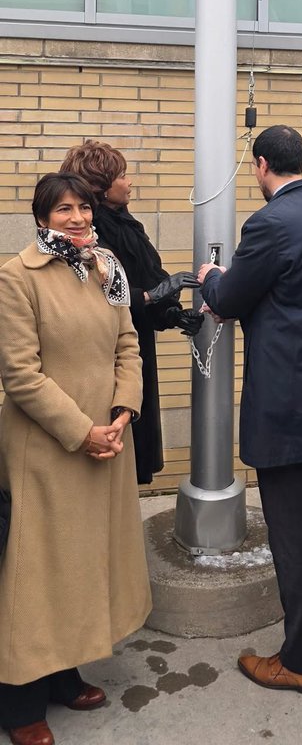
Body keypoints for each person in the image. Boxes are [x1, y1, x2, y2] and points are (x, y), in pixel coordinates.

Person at [198, 125, 302, 696]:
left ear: (261, 163)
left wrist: (212, 278)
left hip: (287, 404)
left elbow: (229, 298)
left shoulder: (267, 222)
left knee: (292, 534)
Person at [0, 172, 151, 745]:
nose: (78, 218)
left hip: (107, 438)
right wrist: (80, 430)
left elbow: (128, 344)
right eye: (63, 209)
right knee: (36, 571)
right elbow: (20, 374)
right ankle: (18, 701)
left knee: (81, 563)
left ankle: (64, 676)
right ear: (42, 217)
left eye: (83, 208)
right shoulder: (17, 278)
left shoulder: (105, 268)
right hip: (48, 447)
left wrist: (122, 410)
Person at [60, 140, 200, 485]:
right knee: (108, 447)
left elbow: (147, 277)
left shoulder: (126, 224)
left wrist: (172, 314)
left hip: (137, 349)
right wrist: (152, 296)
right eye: (121, 176)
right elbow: (100, 294)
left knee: (134, 442)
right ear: (100, 187)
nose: (129, 182)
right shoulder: (89, 235)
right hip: (105, 357)